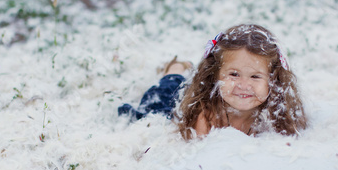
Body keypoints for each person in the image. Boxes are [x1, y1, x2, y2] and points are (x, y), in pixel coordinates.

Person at [118, 24, 308, 139]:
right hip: (170, 104)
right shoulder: (207, 115)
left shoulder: (278, 113)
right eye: (234, 74)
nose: (243, 85)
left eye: (255, 76)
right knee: (169, 87)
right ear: (215, 75)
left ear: (274, 80)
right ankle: (175, 67)